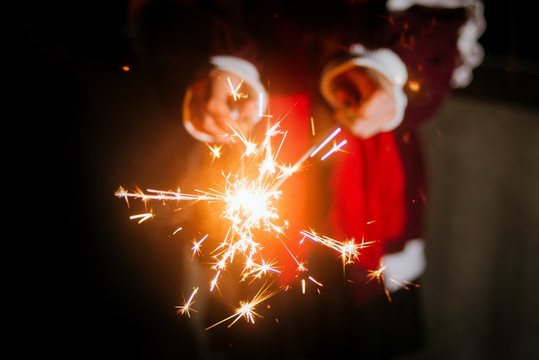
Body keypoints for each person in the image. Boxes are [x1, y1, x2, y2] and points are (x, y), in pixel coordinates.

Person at [127, 0, 485, 358]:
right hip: (252, 163)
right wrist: (219, 63)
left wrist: (388, 69)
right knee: (257, 330)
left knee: (361, 332)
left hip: (370, 191)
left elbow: (439, 19)